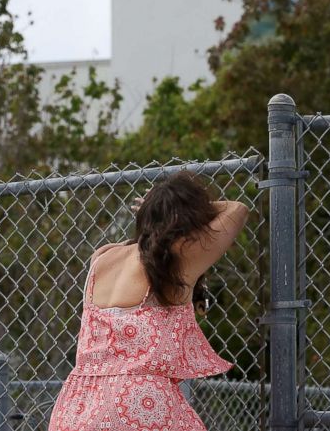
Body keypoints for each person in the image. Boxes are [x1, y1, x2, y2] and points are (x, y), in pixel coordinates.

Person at [48, 171, 249, 431]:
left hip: (76, 406)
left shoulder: (103, 256)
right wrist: (184, 208)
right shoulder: (176, 261)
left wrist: (156, 207)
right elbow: (238, 209)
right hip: (137, 404)